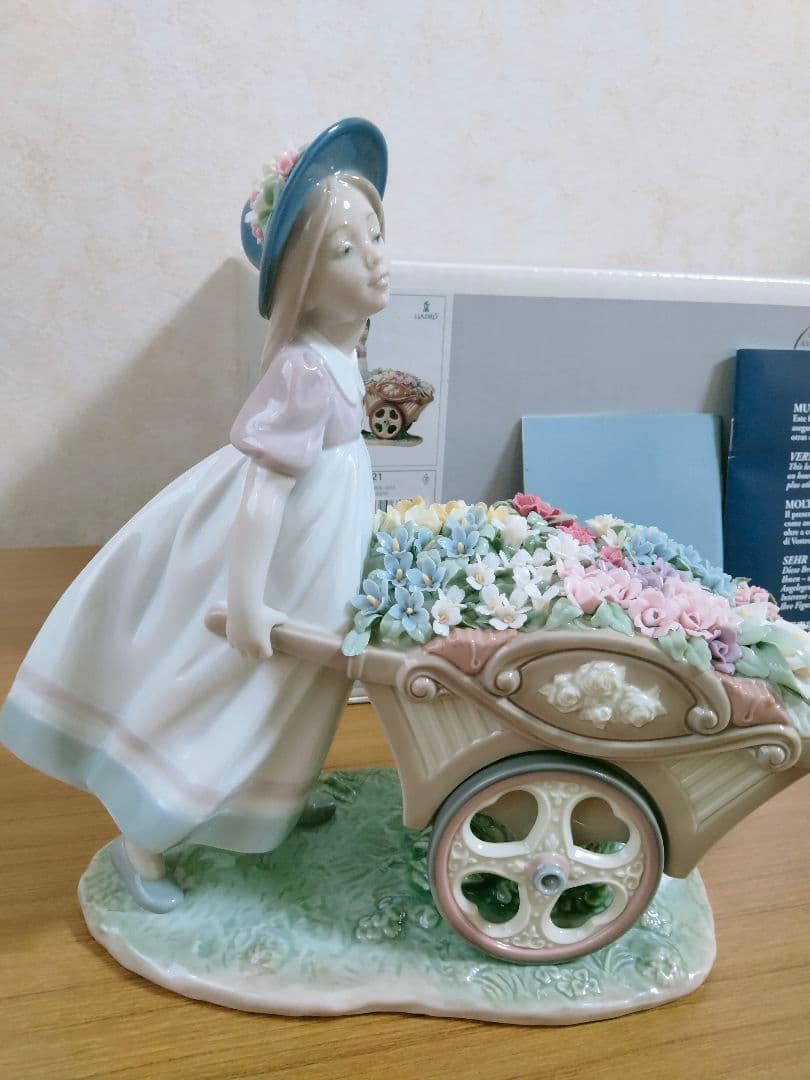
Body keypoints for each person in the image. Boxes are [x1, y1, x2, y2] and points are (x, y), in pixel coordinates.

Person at [0, 118, 389, 911]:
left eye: (375, 237)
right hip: (281, 562)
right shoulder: (303, 372)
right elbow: (264, 493)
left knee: (298, 688)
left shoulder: (345, 355)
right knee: (230, 687)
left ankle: (271, 801)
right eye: (347, 249)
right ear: (303, 281)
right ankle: (147, 834)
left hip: (320, 557)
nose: (376, 258)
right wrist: (245, 600)